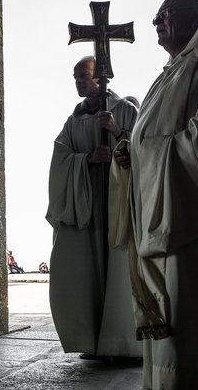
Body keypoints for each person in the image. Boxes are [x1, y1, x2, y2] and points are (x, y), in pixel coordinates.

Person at [110, 0, 198, 389]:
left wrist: (153, 155)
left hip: (191, 221)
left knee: (191, 325)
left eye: (163, 14)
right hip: (161, 207)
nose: (154, 23)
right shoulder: (168, 73)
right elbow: (149, 136)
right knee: (170, 331)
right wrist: (130, 154)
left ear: (192, 17)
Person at [46, 56, 140, 359]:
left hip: (119, 207)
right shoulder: (73, 122)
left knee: (119, 270)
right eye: (75, 78)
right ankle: (92, 339)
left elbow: (146, 148)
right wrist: (86, 159)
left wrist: (115, 131)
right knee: (85, 273)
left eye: (83, 76)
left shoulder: (125, 109)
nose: (79, 82)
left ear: (101, 77)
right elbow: (60, 158)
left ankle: (123, 341)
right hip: (87, 209)